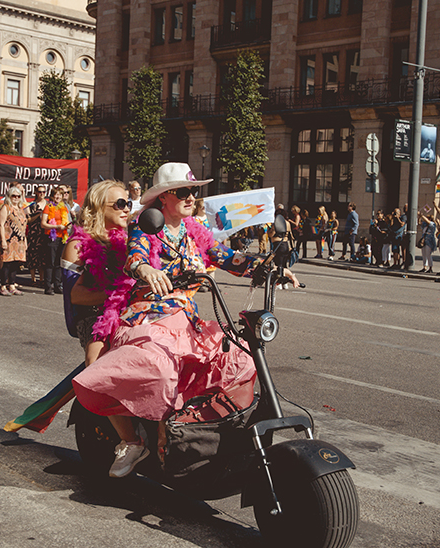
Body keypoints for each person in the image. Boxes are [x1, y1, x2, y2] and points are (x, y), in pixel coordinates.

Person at [72, 163, 299, 478]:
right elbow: (135, 257)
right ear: (163, 198)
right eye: (183, 191)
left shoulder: (194, 231)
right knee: (162, 370)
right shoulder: (146, 224)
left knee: (242, 357)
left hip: (186, 319)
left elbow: (225, 257)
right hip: (149, 317)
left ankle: (192, 432)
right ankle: (140, 440)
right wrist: (145, 270)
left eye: (194, 190)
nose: (192, 196)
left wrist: (267, 267)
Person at [61, 180, 132, 367]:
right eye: (120, 204)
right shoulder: (77, 245)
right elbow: (74, 295)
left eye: (129, 204)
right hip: (94, 317)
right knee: (96, 363)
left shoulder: (129, 242)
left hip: (128, 312)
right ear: (99, 206)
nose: (126, 210)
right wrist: (118, 295)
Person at [0, 186, 28, 296]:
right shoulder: (6, 208)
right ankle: (3, 286)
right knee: (6, 263)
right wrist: (3, 240)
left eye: (18, 196)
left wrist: (25, 241)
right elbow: (0, 224)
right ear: (9, 196)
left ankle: (12, 285)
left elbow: (23, 226)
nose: (16, 198)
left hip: (19, 240)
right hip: (8, 239)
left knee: (15, 263)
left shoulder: (20, 209)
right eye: (13, 196)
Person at [41, 186, 71, 295]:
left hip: (61, 236)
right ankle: (48, 286)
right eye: (56, 194)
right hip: (51, 237)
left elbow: (66, 221)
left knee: (59, 262)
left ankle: (58, 286)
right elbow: (43, 224)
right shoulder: (48, 207)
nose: (57, 196)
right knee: (50, 262)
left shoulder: (64, 208)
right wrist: (57, 226)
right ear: (52, 196)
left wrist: (67, 226)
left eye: (60, 194)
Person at [25, 185, 49, 286]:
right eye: (39, 192)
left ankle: (42, 278)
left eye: (43, 192)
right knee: (33, 255)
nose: (42, 194)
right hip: (34, 233)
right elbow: (28, 220)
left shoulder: (48, 205)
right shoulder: (32, 205)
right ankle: (33, 278)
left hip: (44, 233)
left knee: (42, 256)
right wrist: (39, 215)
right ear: (36, 192)